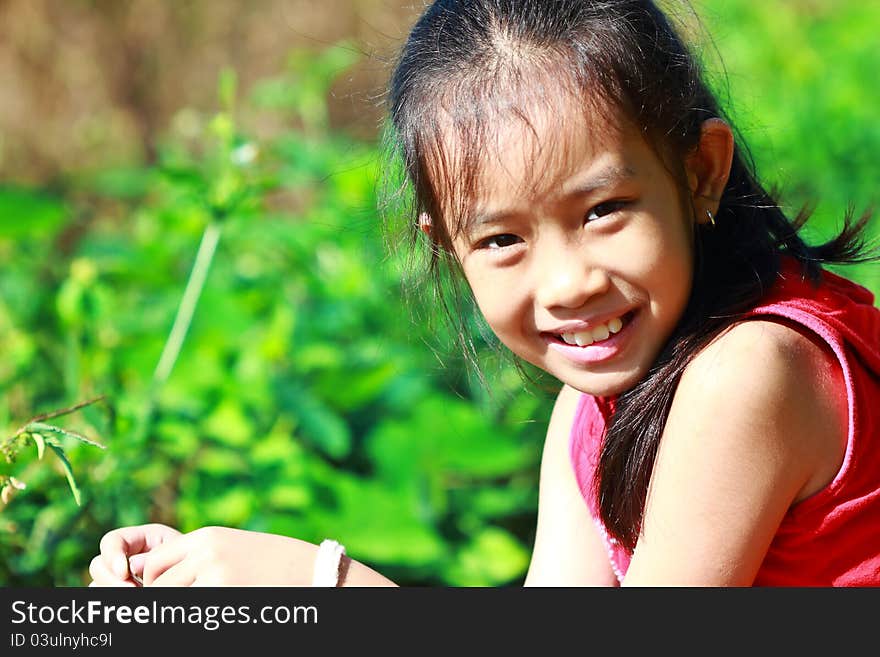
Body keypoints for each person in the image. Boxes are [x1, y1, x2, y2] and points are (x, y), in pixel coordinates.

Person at [88, 0, 880, 587]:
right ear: (450, 247)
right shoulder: (593, 404)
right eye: (502, 240)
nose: (569, 283)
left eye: (604, 210)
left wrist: (317, 582)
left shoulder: (749, 373)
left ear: (701, 171)